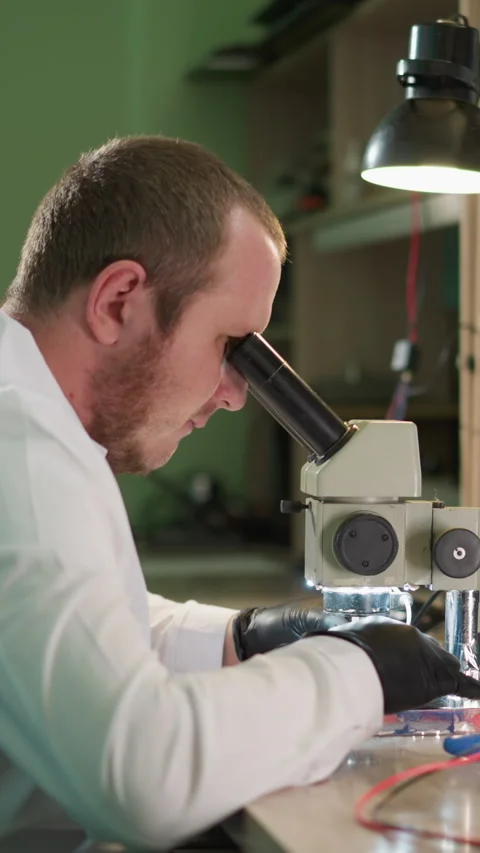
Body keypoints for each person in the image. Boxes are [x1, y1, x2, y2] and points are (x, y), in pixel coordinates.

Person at [0, 135, 478, 851]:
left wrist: (241, 638)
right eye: (232, 346)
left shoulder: (34, 423)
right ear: (119, 299)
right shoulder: (24, 456)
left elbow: (58, 634)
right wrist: (359, 670)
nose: (233, 396)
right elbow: (141, 774)